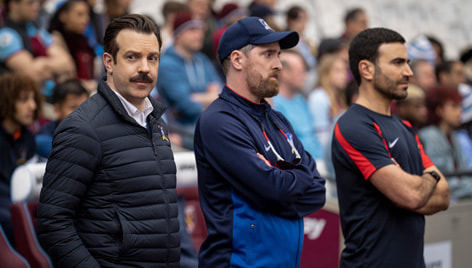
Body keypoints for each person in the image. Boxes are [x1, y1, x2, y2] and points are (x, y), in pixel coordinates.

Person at [36, 14, 180, 267]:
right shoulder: (83, 129)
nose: (144, 68)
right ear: (109, 62)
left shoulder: (156, 122)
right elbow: (53, 222)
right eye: (132, 57)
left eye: (152, 58)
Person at [194, 17, 326, 267]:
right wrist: (286, 184)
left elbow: (317, 191)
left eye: (278, 55)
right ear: (237, 60)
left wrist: (280, 184)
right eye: (268, 55)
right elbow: (274, 188)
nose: (278, 64)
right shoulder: (219, 121)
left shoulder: (277, 119)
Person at [332, 28, 450, 267]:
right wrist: (426, 181)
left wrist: (421, 184)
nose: (408, 72)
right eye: (398, 63)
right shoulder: (353, 126)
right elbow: (412, 195)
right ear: (366, 69)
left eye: (407, 63)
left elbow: (443, 195)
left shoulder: (404, 126)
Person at [157, 11, 222, 148]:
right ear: (178, 33)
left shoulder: (202, 59)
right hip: (181, 132)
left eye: (201, 30)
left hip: (207, 126)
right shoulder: (166, 64)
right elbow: (186, 106)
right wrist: (210, 97)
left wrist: (198, 97)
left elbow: (222, 95)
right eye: (192, 30)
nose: (199, 35)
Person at [0, 73, 42, 246]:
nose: (32, 106)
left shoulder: (26, 136)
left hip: (20, 198)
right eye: (24, 100)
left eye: (33, 99)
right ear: (7, 101)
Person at [0, 0, 75, 97]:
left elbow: (68, 64)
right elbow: (33, 75)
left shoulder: (35, 30)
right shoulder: (5, 36)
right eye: (30, 3)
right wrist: (54, 68)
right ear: (13, 4)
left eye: (37, 2)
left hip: (52, 95)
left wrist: (42, 63)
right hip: (24, 99)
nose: (36, 6)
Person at [419, 85, 472, 201]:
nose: (460, 112)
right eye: (454, 107)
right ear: (440, 110)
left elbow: (462, 172)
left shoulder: (453, 136)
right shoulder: (429, 136)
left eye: (460, 107)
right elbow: (443, 178)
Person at [272, 50, 323, 160]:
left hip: (318, 161)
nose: (306, 76)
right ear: (285, 73)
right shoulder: (274, 105)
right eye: (301, 71)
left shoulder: (300, 99)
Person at [48, 0, 97, 93]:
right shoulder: (54, 40)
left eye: (87, 14)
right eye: (79, 14)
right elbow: (63, 78)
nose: (85, 19)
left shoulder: (84, 41)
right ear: (63, 16)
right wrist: (86, 86)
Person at [35, 79, 89, 158]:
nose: (81, 113)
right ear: (57, 109)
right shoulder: (44, 138)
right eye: (73, 107)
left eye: (85, 107)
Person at [308, 53, 349, 154]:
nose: (344, 75)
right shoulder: (319, 97)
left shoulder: (339, 97)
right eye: (338, 71)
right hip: (325, 157)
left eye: (345, 71)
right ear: (326, 73)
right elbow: (321, 137)